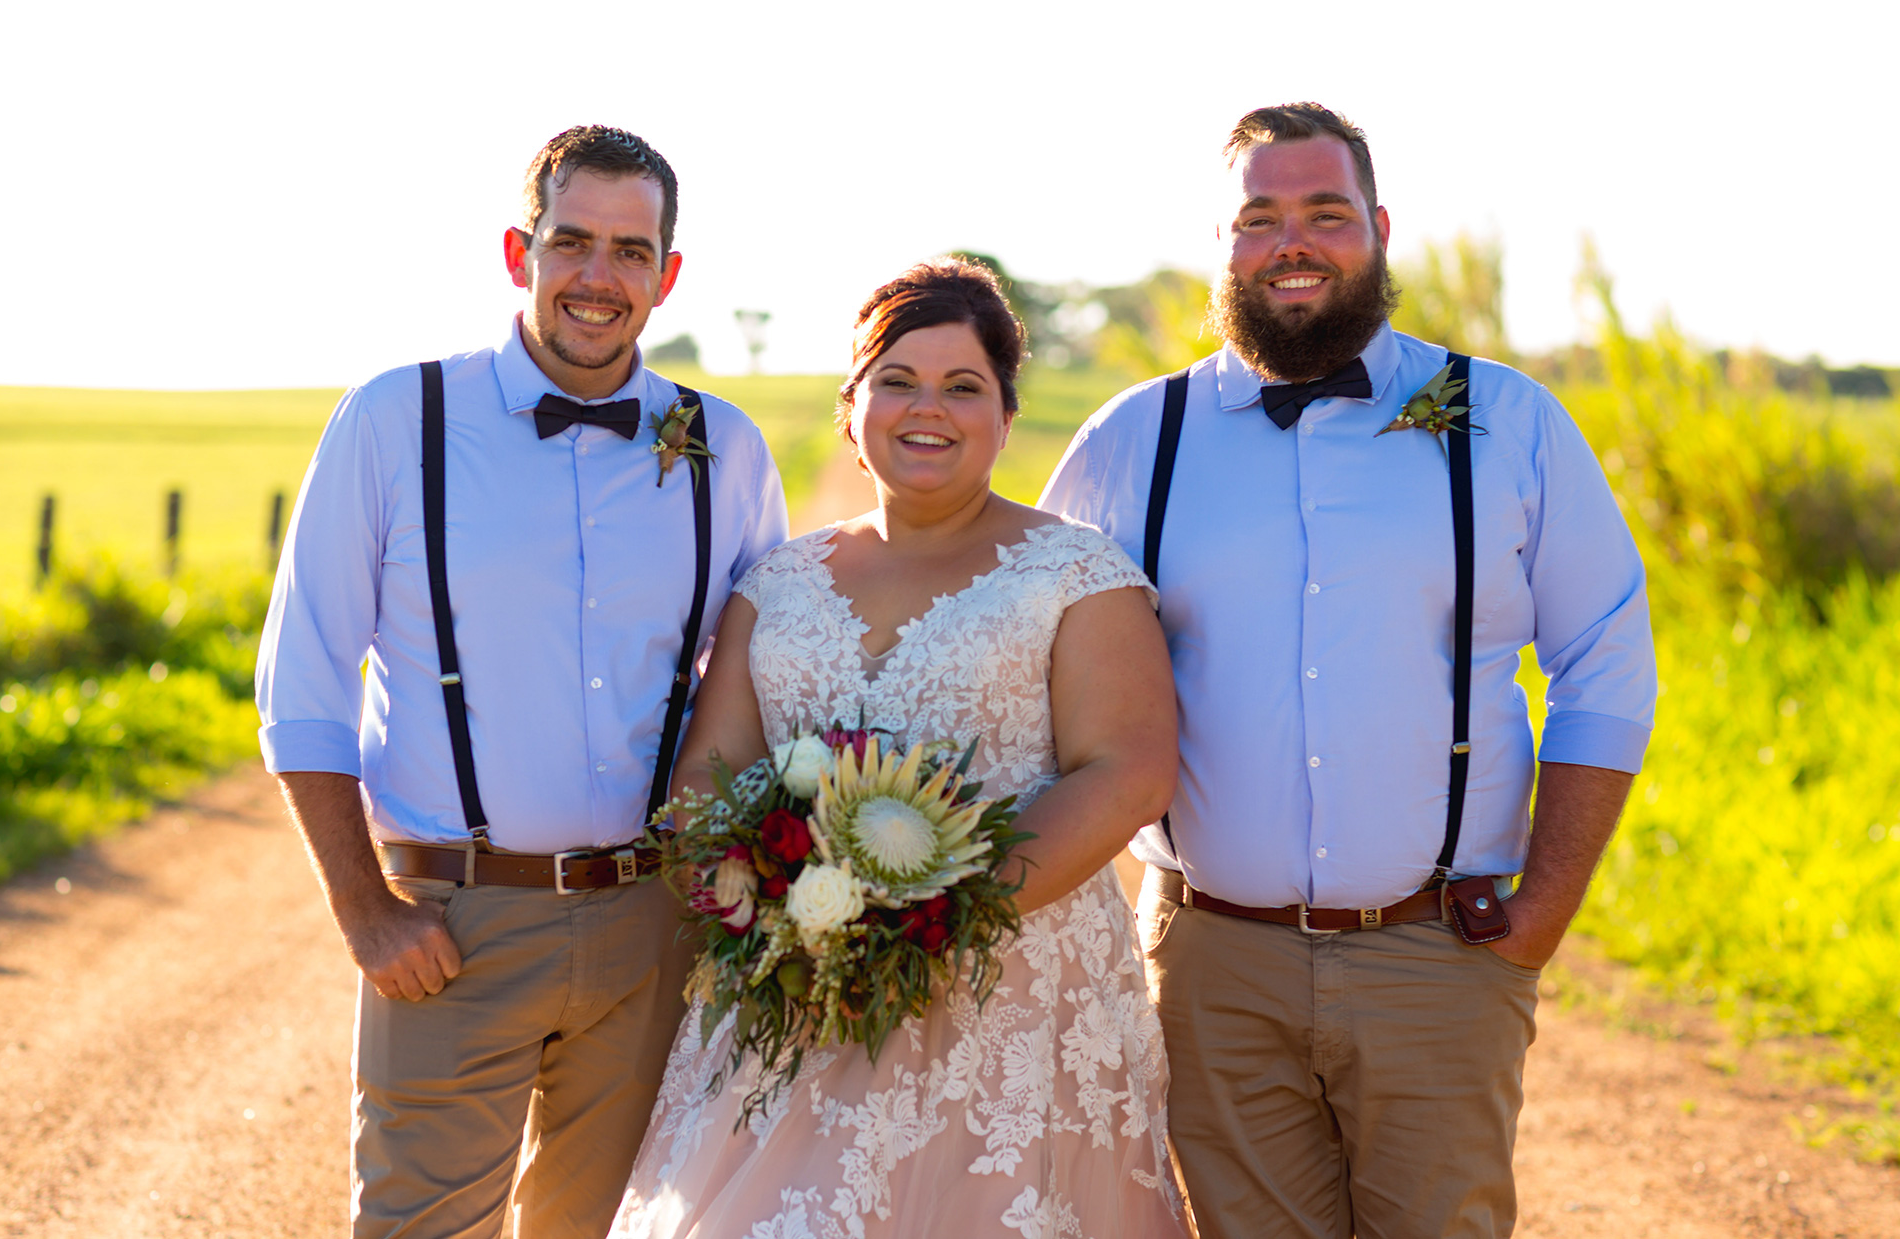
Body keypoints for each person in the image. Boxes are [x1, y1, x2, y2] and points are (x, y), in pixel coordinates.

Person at [1041, 103, 1656, 1239]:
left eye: (1324, 213)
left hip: (1441, 956)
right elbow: (1028, 669)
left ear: (1375, 228)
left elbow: (1604, 663)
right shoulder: (1135, 440)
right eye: (1259, 217)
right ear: (1222, 245)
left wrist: (1545, 910)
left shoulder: (1506, 422)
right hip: (1210, 964)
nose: (1293, 241)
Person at [255, 125, 789, 1238]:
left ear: (667, 274)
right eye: (572, 243)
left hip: (655, 924)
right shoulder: (396, 421)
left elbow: (758, 682)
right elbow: (303, 679)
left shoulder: (720, 446)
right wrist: (363, 909)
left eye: (630, 251)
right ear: (520, 251)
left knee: (605, 1229)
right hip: (452, 924)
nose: (599, 278)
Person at [607, 258, 1190, 1239]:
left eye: (963, 386)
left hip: (1009, 1004)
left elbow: (1124, 771)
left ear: (1005, 414)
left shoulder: (1076, 573)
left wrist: (935, 909)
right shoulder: (776, 584)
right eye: (898, 381)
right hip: (798, 989)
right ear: (851, 406)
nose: (930, 410)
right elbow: (705, 781)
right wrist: (770, 905)